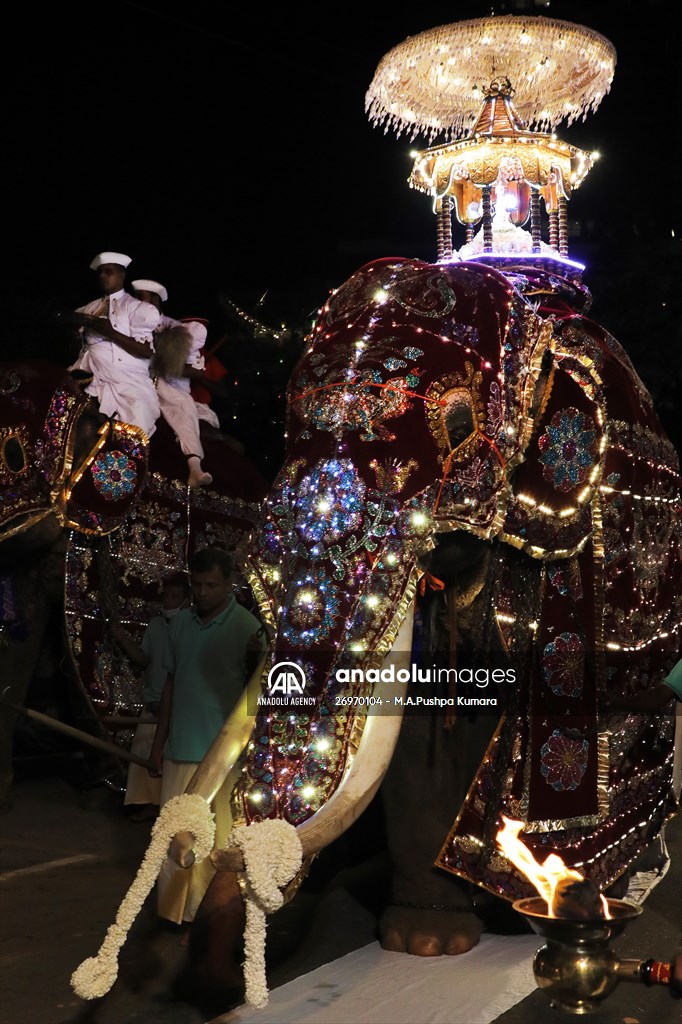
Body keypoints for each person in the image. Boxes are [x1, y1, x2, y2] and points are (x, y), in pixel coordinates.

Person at [148, 546, 265, 926]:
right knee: (173, 835)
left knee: (217, 840)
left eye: (210, 585)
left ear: (229, 584)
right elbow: (170, 684)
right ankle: (172, 913)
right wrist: (157, 743)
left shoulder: (248, 629)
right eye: (196, 585)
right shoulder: (180, 624)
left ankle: (210, 916)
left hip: (223, 757)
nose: (201, 593)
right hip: (180, 749)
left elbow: (258, 695)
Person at [110, 572, 191, 823]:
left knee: (175, 762)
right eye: (166, 595)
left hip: (179, 705)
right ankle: (150, 805)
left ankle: (170, 809)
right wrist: (121, 637)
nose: (168, 601)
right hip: (153, 700)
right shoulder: (156, 626)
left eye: (175, 596)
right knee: (148, 757)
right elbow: (143, 660)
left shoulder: (190, 626)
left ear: (187, 600)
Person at [131, 279, 218, 487]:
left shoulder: (177, 330)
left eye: (140, 298)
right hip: (136, 380)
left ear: (154, 301)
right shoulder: (128, 325)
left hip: (169, 386)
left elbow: (195, 372)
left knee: (182, 407)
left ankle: (194, 467)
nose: (135, 303)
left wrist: (168, 364)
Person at [69, 252, 161, 437]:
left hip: (127, 379)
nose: (103, 276)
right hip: (89, 371)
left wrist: (110, 332)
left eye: (108, 271)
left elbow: (145, 351)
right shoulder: (89, 308)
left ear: (122, 275)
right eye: (100, 272)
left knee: (136, 422)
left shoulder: (138, 308)